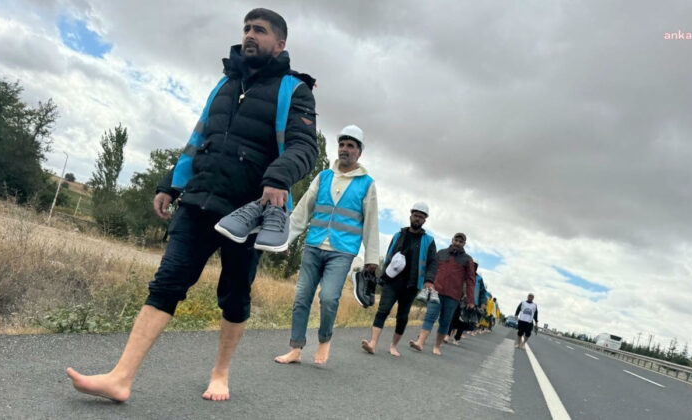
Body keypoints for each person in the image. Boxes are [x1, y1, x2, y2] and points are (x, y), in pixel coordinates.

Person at [66, 8, 318, 402]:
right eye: (247, 28)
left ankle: (220, 373)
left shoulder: (294, 90)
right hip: (199, 201)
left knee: (235, 296)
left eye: (260, 30)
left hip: (246, 215)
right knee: (167, 283)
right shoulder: (224, 84)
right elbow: (199, 137)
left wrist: (278, 176)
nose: (250, 35)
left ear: (280, 44)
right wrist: (171, 183)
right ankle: (121, 377)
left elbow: (306, 149)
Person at [275, 125, 379, 366]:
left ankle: (323, 341)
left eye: (350, 146)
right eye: (342, 144)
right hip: (313, 245)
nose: (344, 149)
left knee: (330, 298)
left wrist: (372, 257)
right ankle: (296, 348)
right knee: (301, 298)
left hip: (342, 252)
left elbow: (371, 222)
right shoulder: (323, 176)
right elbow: (302, 211)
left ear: (359, 152)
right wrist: (284, 240)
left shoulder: (367, 183)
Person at [360, 202, 437, 357]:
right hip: (392, 281)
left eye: (421, 217)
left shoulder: (428, 241)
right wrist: (382, 276)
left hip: (412, 284)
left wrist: (428, 280)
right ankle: (373, 343)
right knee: (383, 310)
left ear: (424, 221)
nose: (417, 219)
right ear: (410, 216)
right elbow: (388, 256)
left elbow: (432, 263)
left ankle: (393, 346)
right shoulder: (398, 235)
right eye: (416, 215)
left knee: (402, 316)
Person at [409, 233, 475, 356]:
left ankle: (437, 346)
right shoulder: (441, 253)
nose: (458, 243)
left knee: (445, 321)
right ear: (452, 240)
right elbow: (432, 269)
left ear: (464, 244)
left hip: (453, 296)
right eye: (456, 240)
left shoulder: (467, 260)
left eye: (461, 241)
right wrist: (428, 282)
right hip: (436, 291)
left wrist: (470, 300)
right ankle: (420, 342)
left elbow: (471, 280)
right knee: (430, 316)